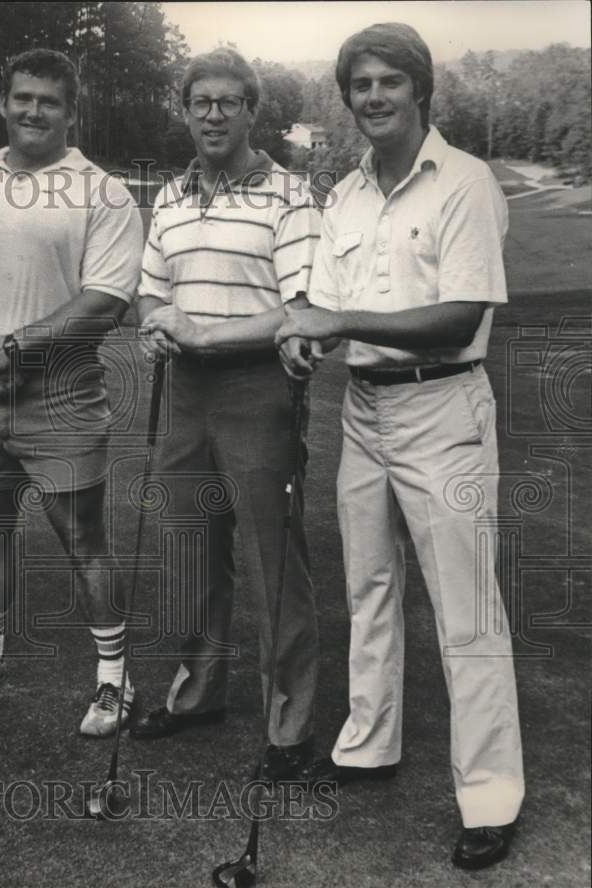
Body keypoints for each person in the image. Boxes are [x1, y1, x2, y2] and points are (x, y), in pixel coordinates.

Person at [276, 22, 524, 870]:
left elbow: (460, 316)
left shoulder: (465, 181)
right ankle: (367, 744)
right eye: (361, 84)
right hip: (364, 412)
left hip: (444, 410)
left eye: (390, 82)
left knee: (466, 608)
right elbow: (324, 304)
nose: (373, 96)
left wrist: (335, 321)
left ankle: (490, 794)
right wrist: (304, 339)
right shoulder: (344, 194)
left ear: (421, 90)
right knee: (368, 587)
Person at [0, 49, 144, 737]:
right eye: (22, 98)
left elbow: (105, 299)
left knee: (83, 538)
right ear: (4, 104)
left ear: (72, 112)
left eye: (48, 100)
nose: (33, 110)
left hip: (62, 394)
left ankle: (114, 680)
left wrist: (13, 346)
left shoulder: (103, 191)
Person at [128, 49, 320, 782]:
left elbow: (299, 308)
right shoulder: (171, 197)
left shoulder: (290, 194)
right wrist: (154, 322)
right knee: (188, 552)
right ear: (184, 109)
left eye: (227, 102)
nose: (212, 113)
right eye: (199, 101)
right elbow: (150, 290)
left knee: (274, 561)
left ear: (250, 111)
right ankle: (199, 692)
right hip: (184, 394)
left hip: (257, 390)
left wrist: (204, 333)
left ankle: (289, 721)